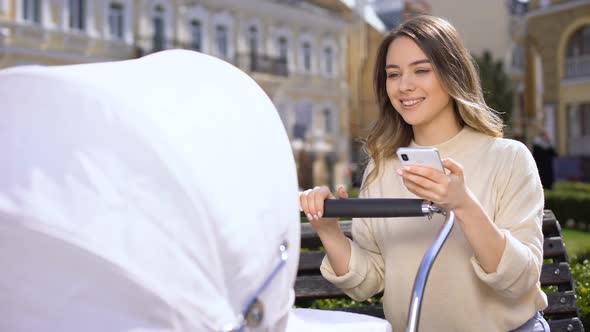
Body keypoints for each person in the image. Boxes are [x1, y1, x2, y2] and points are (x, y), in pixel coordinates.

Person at [300, 15, 549, 332]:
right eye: (393, 74)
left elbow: (520, 281)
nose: (404, 86)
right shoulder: (382, 166)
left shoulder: (509, 159)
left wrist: (463, 204)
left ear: (452, 74)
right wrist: (329, 230)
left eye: (421, 70)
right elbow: (367, 283)